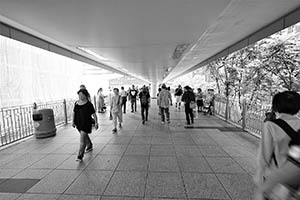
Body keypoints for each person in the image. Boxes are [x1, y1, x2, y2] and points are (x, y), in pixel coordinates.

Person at [254, 91, 300, 199]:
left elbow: (264, 155)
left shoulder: (270, 126)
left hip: (277, 177)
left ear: (276, 106)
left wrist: (259, 178)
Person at [72, 89, 98, 162]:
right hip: (78, 123)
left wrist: (96, 122)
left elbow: (94, 114)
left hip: (86, 123)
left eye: (81, 95)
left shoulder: (89, 104)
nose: (80, 96)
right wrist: (73, 121)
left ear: (85, 95)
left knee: (82, 141)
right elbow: (74, 113)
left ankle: (80, 155)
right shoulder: (76, 103)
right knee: (84, 136)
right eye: (79, 95)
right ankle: (89, 145)